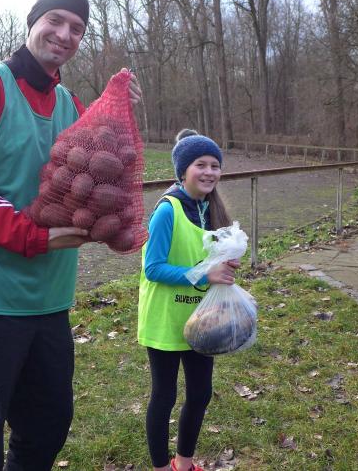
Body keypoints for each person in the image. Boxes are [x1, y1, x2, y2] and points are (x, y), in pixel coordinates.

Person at [0, 0, 141, 470]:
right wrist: (35, 237)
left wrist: (121, 111)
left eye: (77, 28)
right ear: (33, 21)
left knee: (47, 426)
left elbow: (103, 173)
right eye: (55, 20)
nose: (65, 34)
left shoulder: (71, 104)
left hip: (47, 302)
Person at [138, 129, 239, 471]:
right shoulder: (167, 210)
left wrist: (225, 263)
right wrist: (205, 274)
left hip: (201, 318)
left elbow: (202, 257)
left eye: (215, 165)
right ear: (183, 170)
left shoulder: (211, 209)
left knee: (200, 393)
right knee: (164, 396)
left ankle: (183, 463)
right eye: (201, 165)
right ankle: (161, 467)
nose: (209, 172)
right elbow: (153, 268)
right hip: (166, 318)